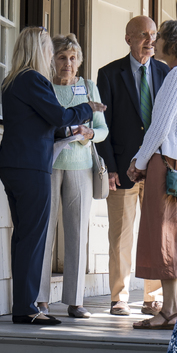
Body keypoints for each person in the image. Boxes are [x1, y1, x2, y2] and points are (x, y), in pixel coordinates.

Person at [0, 27, 104, 326]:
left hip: (13, 163)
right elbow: (59, 115)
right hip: (31, 166)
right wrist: (86, 109)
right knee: (33, 237)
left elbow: (44, 124)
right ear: (39, 50)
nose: (53, 58)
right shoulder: (33, 79)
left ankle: (23, 305)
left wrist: (69, 130)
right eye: (48, 49)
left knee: (23, 236)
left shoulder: (12, 80)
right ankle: (27, 309)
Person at [127, 19, 177, 330]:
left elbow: (160, 126)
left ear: (171, 43)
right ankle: (175, 307)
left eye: (159, 37)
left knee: (165, 234)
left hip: (166, 162)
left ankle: (169, 310)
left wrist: (139, 162)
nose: (154, 42)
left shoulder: (176, 75)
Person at [96, 17, 169, 316]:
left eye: (153, 35)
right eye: (143, 35)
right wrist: (110, 166)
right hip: (122, 169)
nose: (150, 41)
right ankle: (119, 297)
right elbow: (102, 124)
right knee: (121, 235)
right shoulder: (110, 74)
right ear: (128, 38)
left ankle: (153, 297)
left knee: (155, 233)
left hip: (156, 167)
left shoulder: (166, 72)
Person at [36, 34, 108, 319]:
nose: (68, 63)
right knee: (45, 231)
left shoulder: (89, 88)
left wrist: (90, 133)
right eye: (62, 57)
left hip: (81, 167)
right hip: (50, 165)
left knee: (77, 232)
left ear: (80, 61)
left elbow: (102, 129)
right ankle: (40, 299)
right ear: (53, 60)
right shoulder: (45, 86)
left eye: (73, 58)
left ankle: (75, 300)